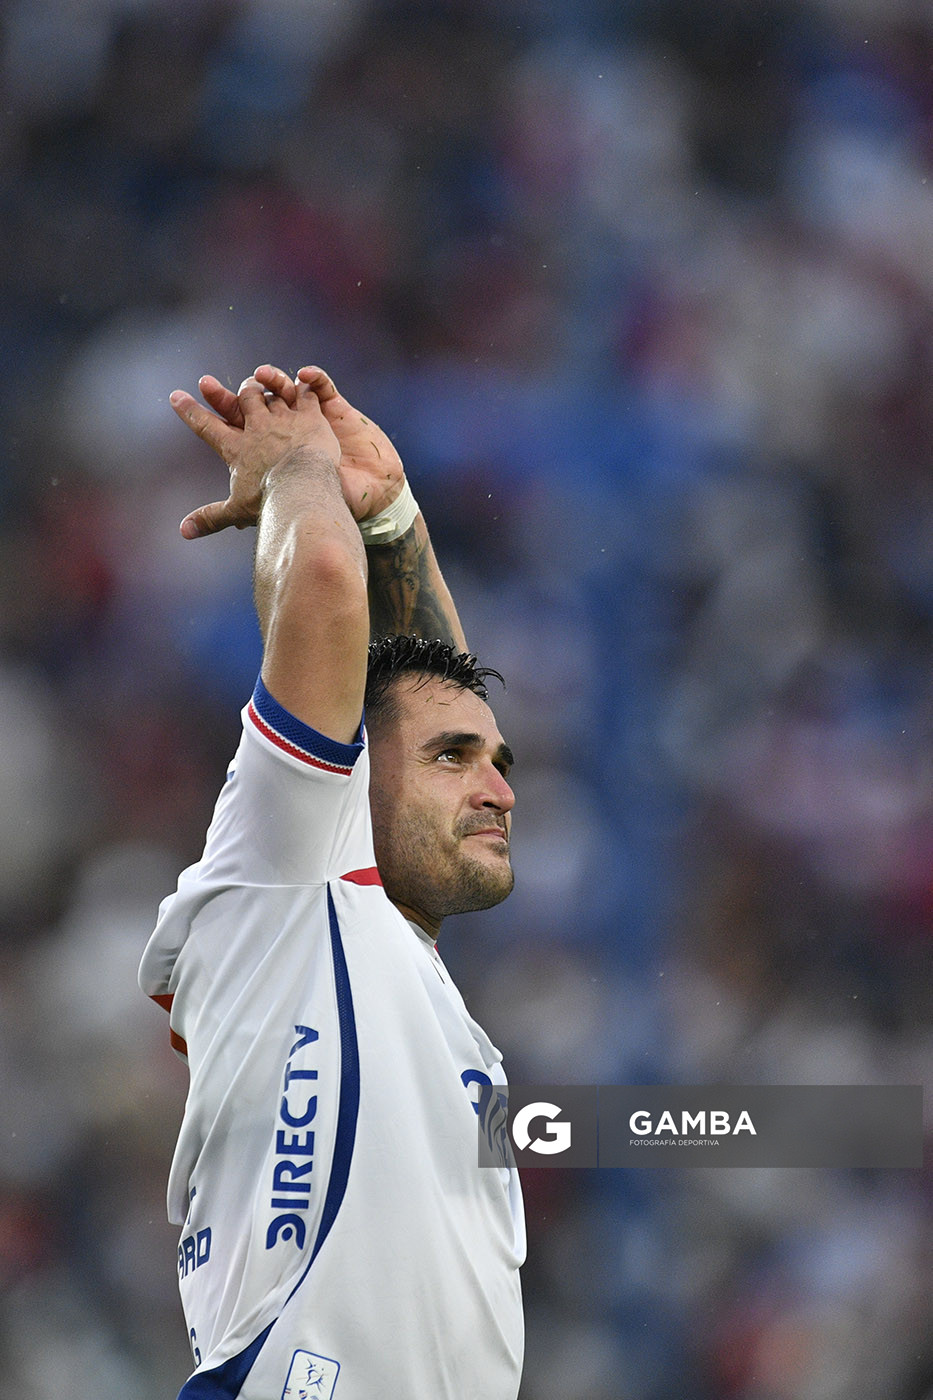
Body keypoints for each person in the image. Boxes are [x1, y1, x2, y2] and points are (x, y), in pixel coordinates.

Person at [139, 364, 525, 1400]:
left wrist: (392, 516)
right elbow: (319, 580)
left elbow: (570, 1124)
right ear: (344, 773)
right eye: (459, 761)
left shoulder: (419, 1001)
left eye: (501, 764)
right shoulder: (292, 882)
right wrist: (299, 469)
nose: (498, 788)